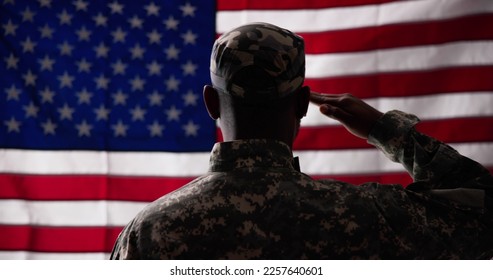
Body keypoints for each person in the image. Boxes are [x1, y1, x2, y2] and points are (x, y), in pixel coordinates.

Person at [110, 22, 493, 259]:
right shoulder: (367, 215)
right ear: (301, 103)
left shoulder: (149, 233)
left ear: (211, 102)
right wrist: (385, 129)